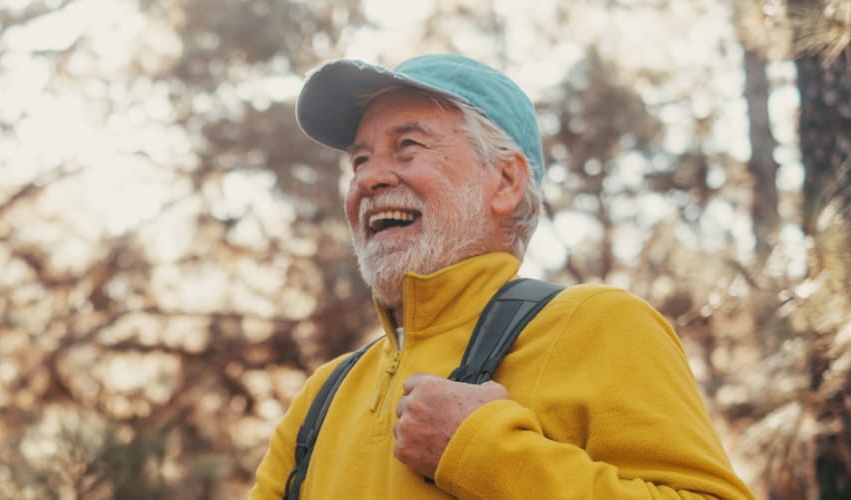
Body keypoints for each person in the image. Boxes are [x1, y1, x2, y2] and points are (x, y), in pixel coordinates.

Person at [249, 54, 754, 499]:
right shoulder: (322, 398)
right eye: (359, 159)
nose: (368, 178)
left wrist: (480, 451)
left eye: (408, 147)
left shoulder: (598, 325)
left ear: (507, 181)